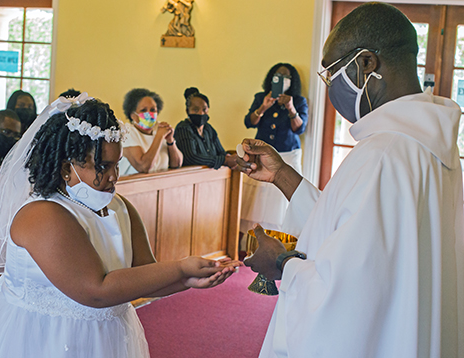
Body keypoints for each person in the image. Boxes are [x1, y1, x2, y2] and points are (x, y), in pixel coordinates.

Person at [238, 3, 463, 357]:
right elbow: (353, 233)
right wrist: (282, 175)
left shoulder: (384, 154)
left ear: (365, 64)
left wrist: (281, 262)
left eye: (331, 72)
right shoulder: (426, 145)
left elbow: (344, 294)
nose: (330, 87)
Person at [0, 93, 240, 357]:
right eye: (102, 166)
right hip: (46, 336)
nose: (113, 177)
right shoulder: (43, 215)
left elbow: (142, 274)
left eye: (116, 165)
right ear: (66, 167)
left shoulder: (120, 207)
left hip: (103, 335)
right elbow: (96, 290)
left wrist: (187, 280)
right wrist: (179, 267)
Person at [240, 63, 308, 235]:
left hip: (287, 156)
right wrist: (264, 106)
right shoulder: (261, 97)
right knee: (257, 200)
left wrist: (291, 108)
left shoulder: (298, 101)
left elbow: (300, 129)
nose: (281, 80)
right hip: (260, 155)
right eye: (278, 76)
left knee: (280, 199)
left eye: (286, 77)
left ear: (291, 82)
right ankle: (250, 238)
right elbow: (249, 122)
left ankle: (279, 237)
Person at [120, 88, 183, 175]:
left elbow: (177, 164)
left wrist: (170, 141)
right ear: (133, 115)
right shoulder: (127, 132)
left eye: (153, 110)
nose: (149, 114)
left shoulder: (159, 129)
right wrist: (159, 136)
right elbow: (144, 167)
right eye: (143, 110)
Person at [175, 87, 237, 169]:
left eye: (204, 109)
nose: (201, 113)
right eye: (195, 110)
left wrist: (228, 158)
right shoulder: (183, 128)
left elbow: (221, 152)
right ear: (187, 111)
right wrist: (223, 160)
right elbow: (191, 158)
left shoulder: (208, 129)